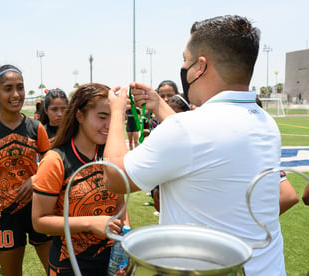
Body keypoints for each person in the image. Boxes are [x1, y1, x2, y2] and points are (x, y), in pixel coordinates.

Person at [104, 15, 285, 275]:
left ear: (200, 67)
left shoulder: (188, 130)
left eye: (185, 59)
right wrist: (159, 105)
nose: (183, 67)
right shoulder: (266, 122)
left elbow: (114, 177)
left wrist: (118, 111)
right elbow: (203, 147)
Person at [32, 83, 129, 276]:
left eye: (114, 117)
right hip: (69, 264)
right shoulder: (55, 160)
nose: (109, 125)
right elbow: (39, 221)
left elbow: (120, 206)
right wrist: (90, 223)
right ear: (80, 116)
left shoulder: (110, 156)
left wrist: (124, 244)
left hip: (110, 260)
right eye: (102, 117)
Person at [0, 65, 51, 276]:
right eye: (8, 88)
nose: (16, 95)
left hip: (39, 208)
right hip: (5, 213)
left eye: (20, 87)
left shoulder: (36, 127)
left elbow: (51, 165)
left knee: (56, 271)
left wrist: (36, 178)